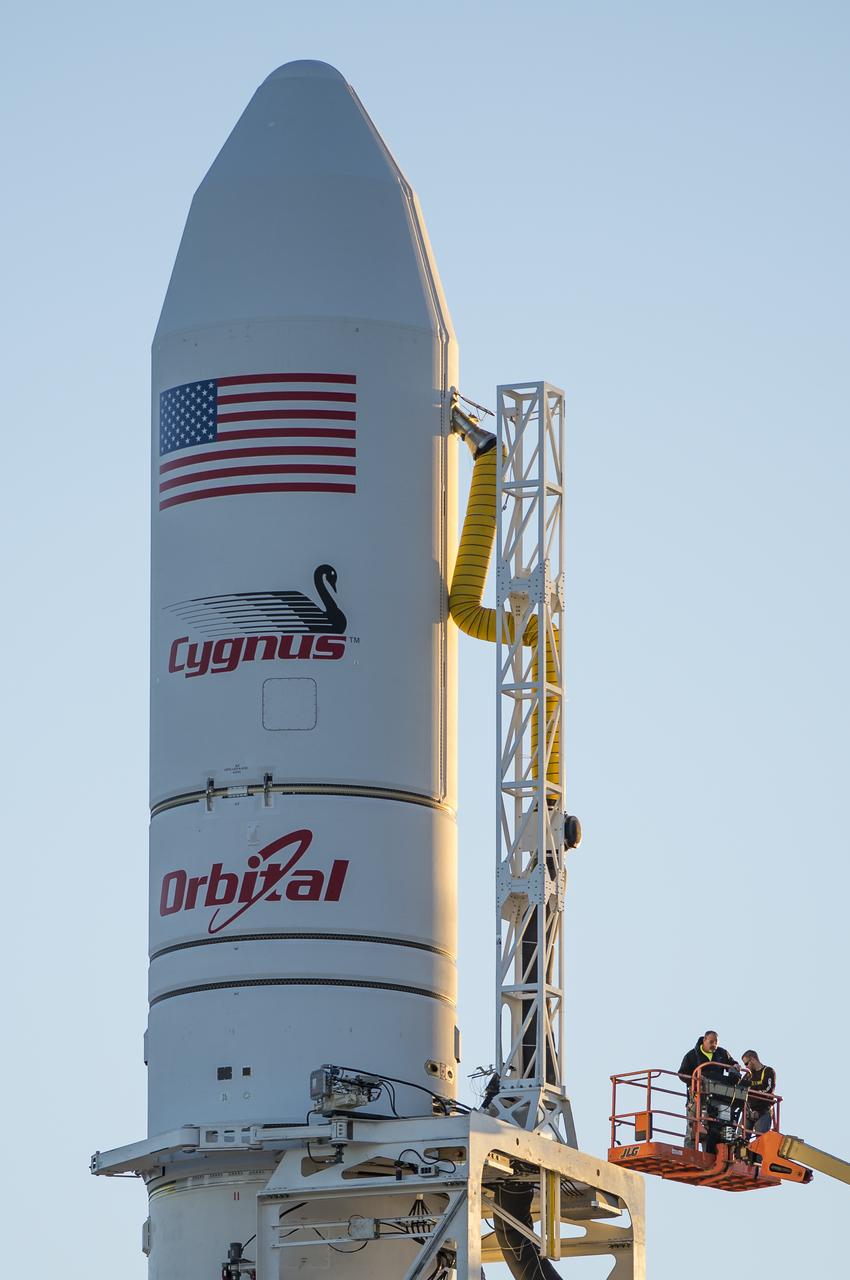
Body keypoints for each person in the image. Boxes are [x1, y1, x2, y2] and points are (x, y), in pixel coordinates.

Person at [678, 1031, 739, 1152]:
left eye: (716, 1042)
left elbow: (732, 1063)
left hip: (719, 1097)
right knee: (694, 1126)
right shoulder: (692, 1055)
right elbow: (682, 1074)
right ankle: (690, 1152)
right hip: (697, 1096)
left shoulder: (722, 1053)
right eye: (711, 1042)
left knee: (719, 1126)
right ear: (704, 1040)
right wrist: (694, 1080)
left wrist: (735, 1065)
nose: (714, 1045)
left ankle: (715, 1153)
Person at [740, 1049, 776, 1135]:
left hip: (762, 1111)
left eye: (746, 1063)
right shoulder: (748, 1075)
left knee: (761, 1141)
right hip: (748, 1111)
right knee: (740, 1139)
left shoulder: (768, 1071)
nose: (746, 1067)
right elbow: (740, 1089)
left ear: (752, 1059)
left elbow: (768, 1089)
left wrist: (751, 1089)